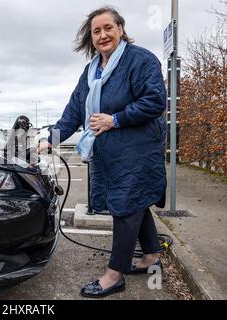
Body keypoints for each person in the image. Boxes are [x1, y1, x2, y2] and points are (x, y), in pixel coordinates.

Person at [40, 6, 167, 298]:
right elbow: (73, 111)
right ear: (91, 38)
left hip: (138, 151)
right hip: (109, 154)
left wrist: (116, 119)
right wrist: (51, 139)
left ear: (121, 29)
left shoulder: (141, 60)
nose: (102, 35)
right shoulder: (91, 70)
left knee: (125, 207)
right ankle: (151, 257)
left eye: (108, 28)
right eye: (96, 31)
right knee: (134, 203)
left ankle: (114, 274)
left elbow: (155, 100)